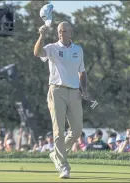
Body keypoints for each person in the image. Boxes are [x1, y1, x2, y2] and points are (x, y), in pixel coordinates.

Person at [34, 21, 90, 179]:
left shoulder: (78, 50)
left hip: (74, 92)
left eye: (64, 31)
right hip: (56, 90)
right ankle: (63, 166)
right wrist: (41, 36)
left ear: (71, 33)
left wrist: (84, 89)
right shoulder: (52, 47)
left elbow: (82, 72)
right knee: (58, 130)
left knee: (77, 130)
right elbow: (37, 53)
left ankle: (56, 154)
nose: (61, 33)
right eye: (59, 31)